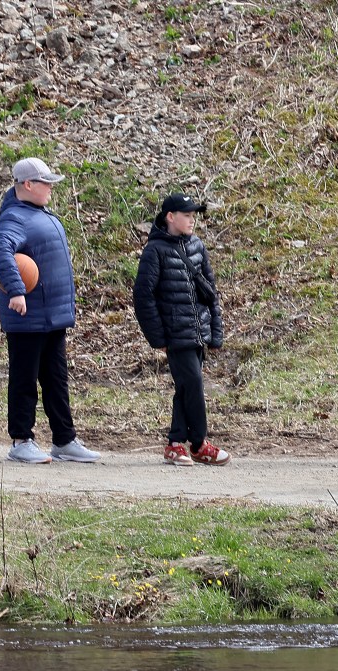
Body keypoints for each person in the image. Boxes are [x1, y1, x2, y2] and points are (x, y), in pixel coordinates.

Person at [0, 157, 101, 464]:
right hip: (27, 317)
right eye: (46, 182)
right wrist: (16, 290)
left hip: (52, 316)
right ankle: (21, 441)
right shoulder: (14, 218)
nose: (52, 187)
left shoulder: (38, 213)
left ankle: (64, 440)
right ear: (28, 184)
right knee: (24, 379)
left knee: (56, 379)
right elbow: (0, 254)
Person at [133, 192, 229, 466]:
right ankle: (199, 444)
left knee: (186, 388)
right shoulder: (155, 251)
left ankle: (175, 445)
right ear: (170, 217)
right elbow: (143, 296)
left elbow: (210, 291)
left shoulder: (197, 245)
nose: (192, 220)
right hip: (176, 334)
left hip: (198, 331)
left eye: (194, 215)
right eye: (186, 215)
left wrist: (215, 332)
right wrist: (157, 337)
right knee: (194, 385)